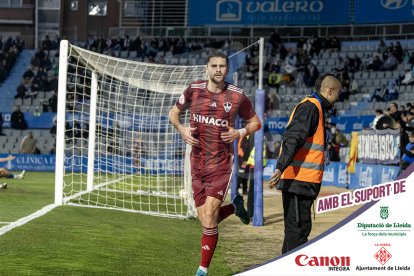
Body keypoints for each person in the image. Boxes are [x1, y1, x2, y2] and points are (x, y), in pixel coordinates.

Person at [168, 52, 261, 276]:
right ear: (206, 68)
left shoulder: (237, 96)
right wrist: (182, 131)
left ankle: (202, 270)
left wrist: (238, 132)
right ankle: (234, 207)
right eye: (214, 66)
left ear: (227, 70)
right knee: (205, 219)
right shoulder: (193, 90)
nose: (218, 69)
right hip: (197, 162)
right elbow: (173, 114)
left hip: (221, 164)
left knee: (209, 216)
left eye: (222, 66)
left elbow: (255, 122)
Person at [268, 73, 342, 254]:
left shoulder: (314, 108)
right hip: (298, 183)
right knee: (298, 235)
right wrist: (280, 167)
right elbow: (293, 138)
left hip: (301, 183)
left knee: (295, 234)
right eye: (338, 93)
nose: (339, 98)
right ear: (330, 90)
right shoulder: (310, 108)